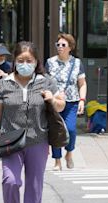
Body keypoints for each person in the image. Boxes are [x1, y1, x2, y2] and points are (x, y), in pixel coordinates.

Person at [0, 41, 65, 203]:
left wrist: (52, 99)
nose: (25, 64)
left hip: (38, 140)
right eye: (21, 60)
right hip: (10, 141)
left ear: (36, 62)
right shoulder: (4, 84)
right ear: (15, 61)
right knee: (10, 181)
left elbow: (61, 105)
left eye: (29, 60)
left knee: (34, 188)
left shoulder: (46, 82)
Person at [45, 33, 87, 171]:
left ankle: (69, 153)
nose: (60, 47)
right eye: (58, 45)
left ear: (70, 47)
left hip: (72, 101)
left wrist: (82, 100)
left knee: (71, 129)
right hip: (54, 101)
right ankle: (57, 161)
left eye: (64, 45)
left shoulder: (76, 63)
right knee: (56, 130)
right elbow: (45, 82)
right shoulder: (50, 62)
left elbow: (82, 83)